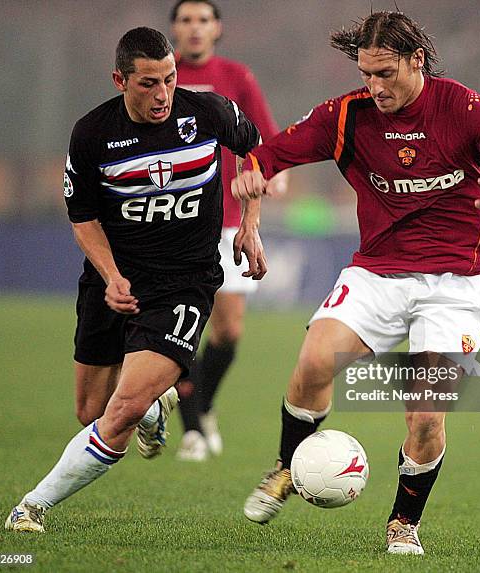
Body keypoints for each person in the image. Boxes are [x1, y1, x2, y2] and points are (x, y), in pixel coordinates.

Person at [231, 11, 480, 555]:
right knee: (312, 362)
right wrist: (253, 181)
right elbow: (271, 152)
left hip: (456, 284)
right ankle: (287, 468)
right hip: (377, 271)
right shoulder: (345, 116)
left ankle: (403, 522)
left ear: (415, 61)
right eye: (366, 74)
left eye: (385, 74)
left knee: (426, 414)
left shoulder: (465, 109)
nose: (374, 87)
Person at [5, 26, 264, 533]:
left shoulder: (207, 112)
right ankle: (152, 411)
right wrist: (111, 276)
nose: (163, 94)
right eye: (148, 83)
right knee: (91, 412)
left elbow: (256, 150)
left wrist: (251, 225)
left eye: (169, 79)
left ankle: (31, 506)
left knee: (118, 412)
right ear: (119, 79)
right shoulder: (91, 134)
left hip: (185, 283)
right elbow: (82, 218)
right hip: (116, 282)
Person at [169, 0, 288, 461]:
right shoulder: (161, 76)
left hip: (229, 221)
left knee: (229, 331)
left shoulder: (237, 77)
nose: (194, 28)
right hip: (174, 222)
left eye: (202, 20)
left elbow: (262, 139)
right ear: (174, 29)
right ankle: (193, 430)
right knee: (180, 330)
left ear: (216, 28)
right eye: (185, 20)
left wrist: (275, 171)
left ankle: (204, 402)